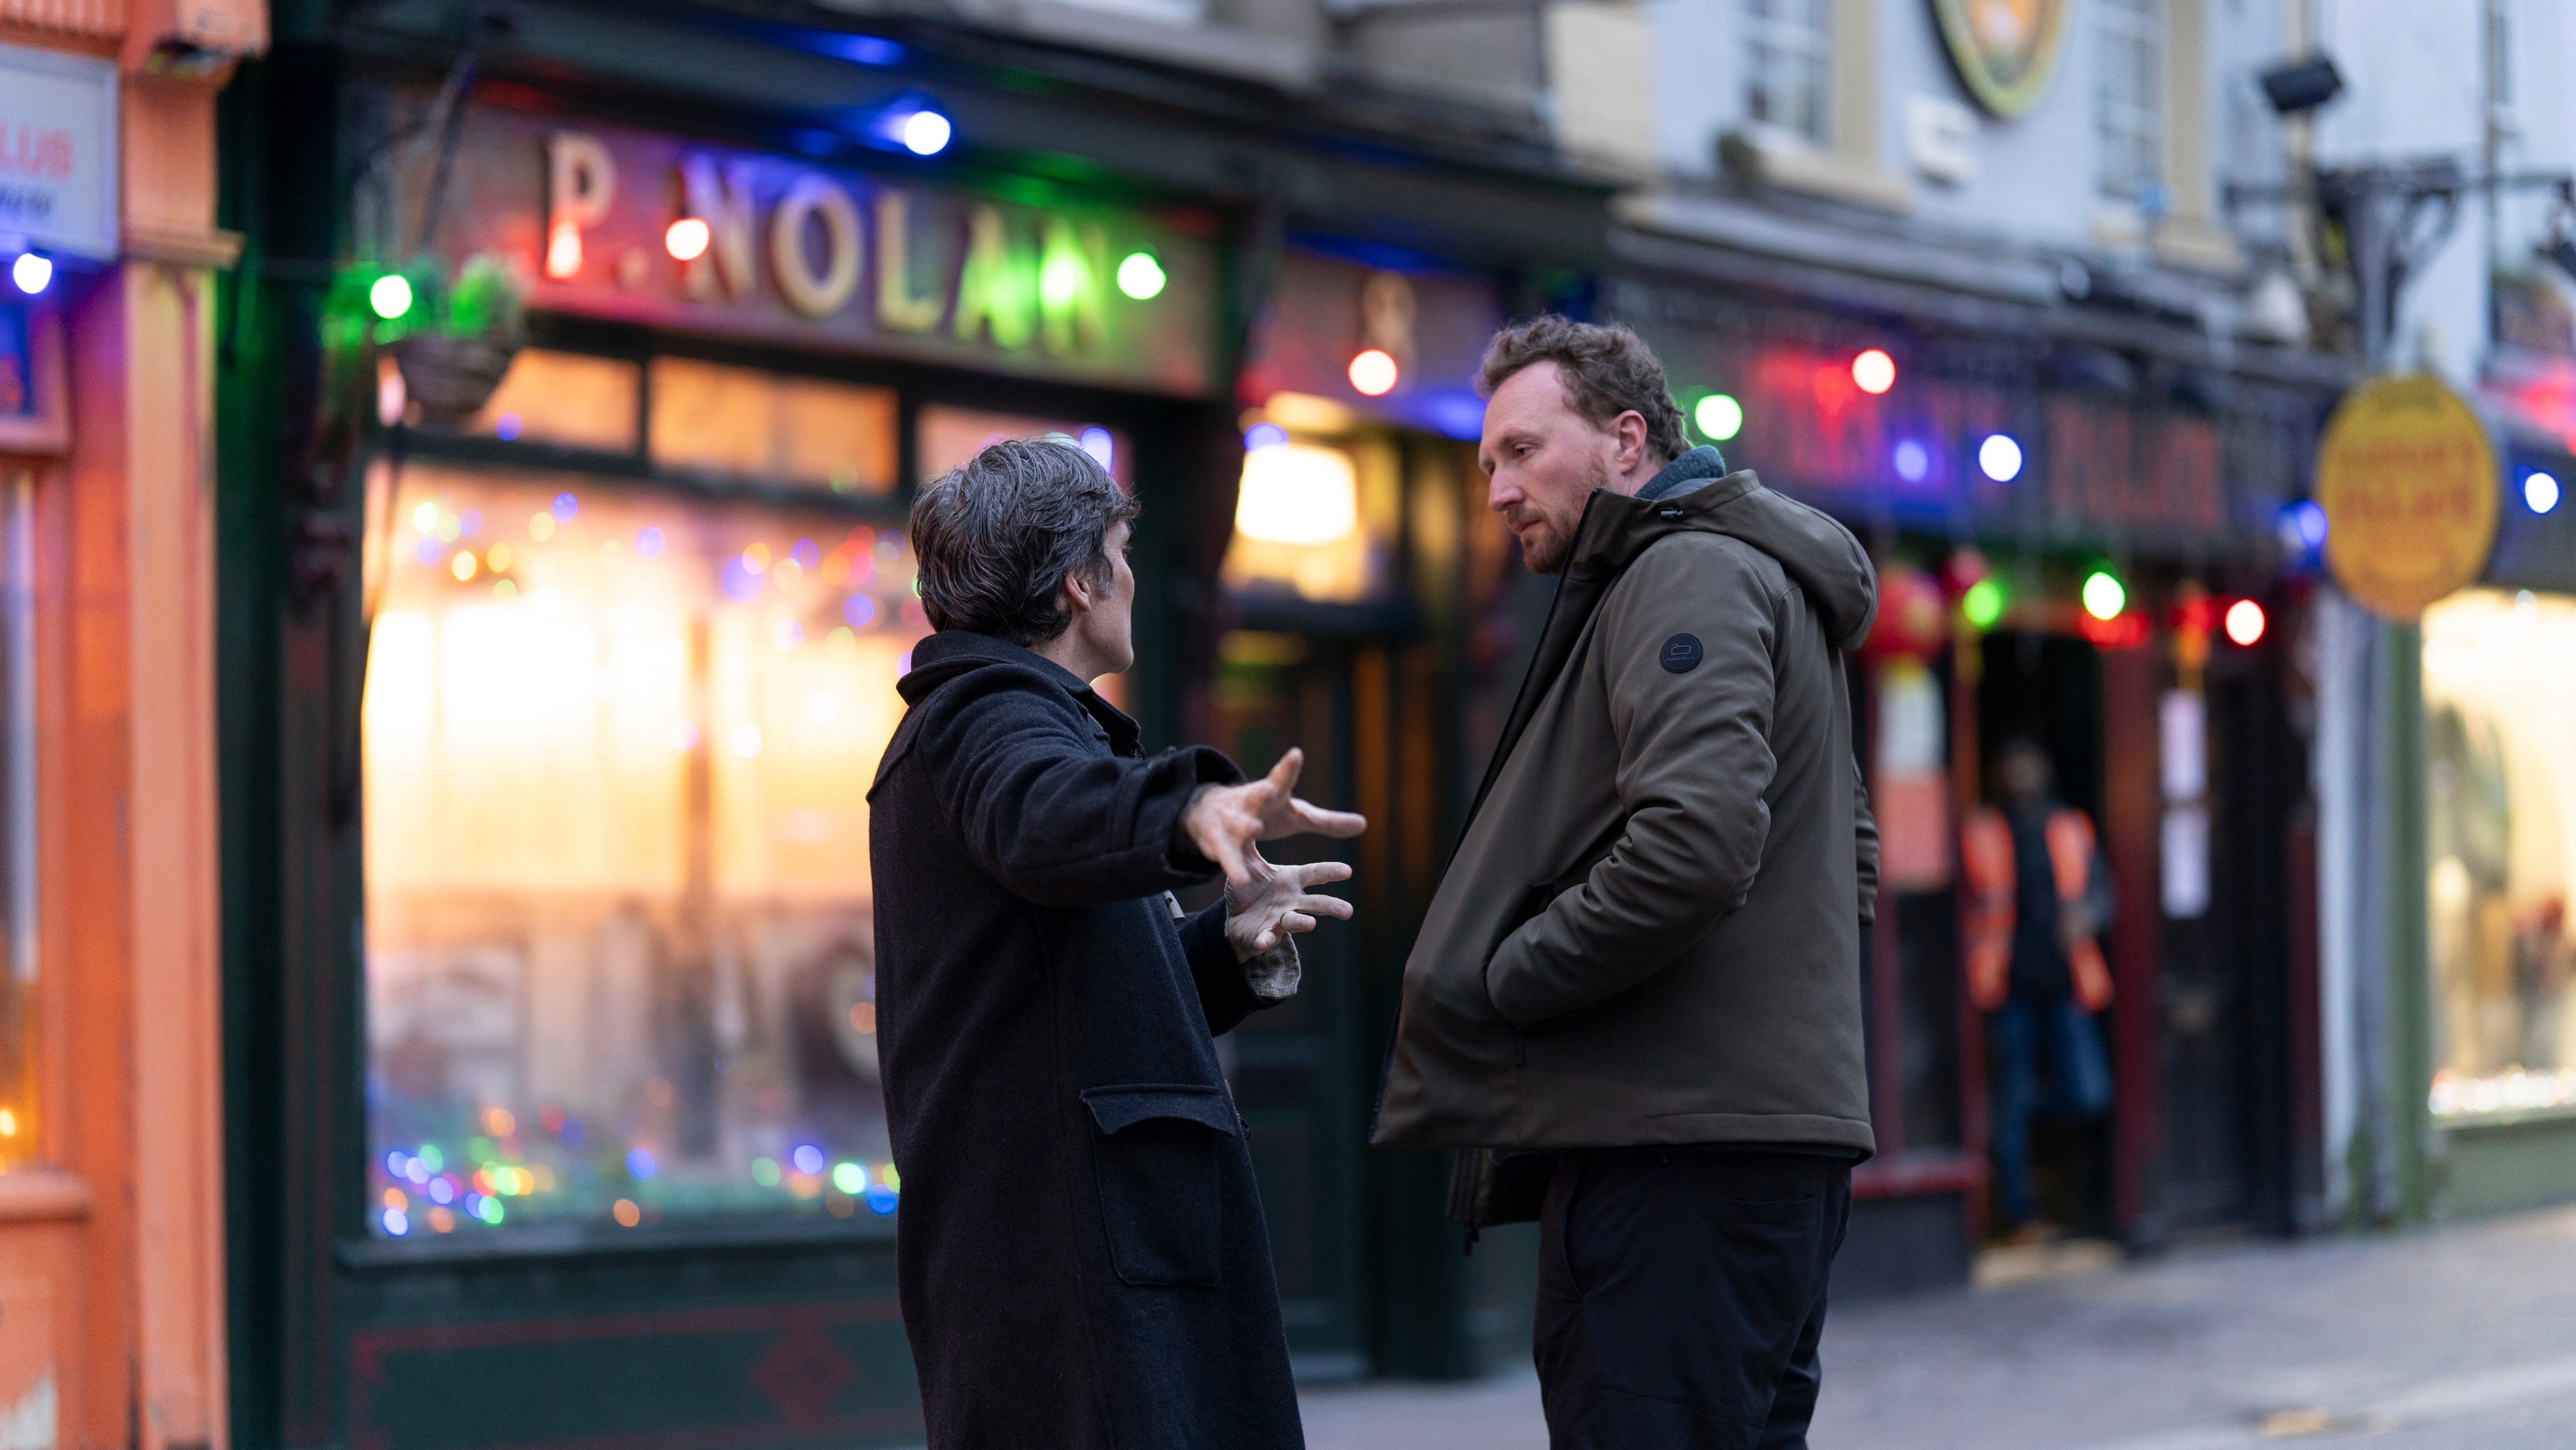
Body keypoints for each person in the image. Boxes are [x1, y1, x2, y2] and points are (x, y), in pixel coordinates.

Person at [1375, 316, 1880, 1449]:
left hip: (1678, 1161)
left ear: (1625, 439)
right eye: (1485, 463)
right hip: (1730, 1147)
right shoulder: (1730, 576)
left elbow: (1694, 846)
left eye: (1520, 450)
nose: (1497, 488)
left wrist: (1509, 977)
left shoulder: (1683, 571)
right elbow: (1849, 851)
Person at [867, 439, 1365, 1450]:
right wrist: (1191, 811)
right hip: (1069, 1268)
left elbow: (1061, 998)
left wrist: (1227, 949)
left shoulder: (1021, 722)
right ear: (1079, 579)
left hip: (1083, 1251)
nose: (1132, 574)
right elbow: (1044, 812)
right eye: (1122, 550)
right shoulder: (986, 718)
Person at [1961, 736, 2115, 1240]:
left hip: (2066, 982)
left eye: (2028, 764)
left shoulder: (2071, 826)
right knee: (2011, 1102)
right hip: (2009, 988)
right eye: (2012, 766)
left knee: (2089, 1092)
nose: (2021, 775)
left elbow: (2101, 892)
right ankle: (2021, 1214)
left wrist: (2087, 916)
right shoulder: (1984, 830)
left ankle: (2069, 1191)